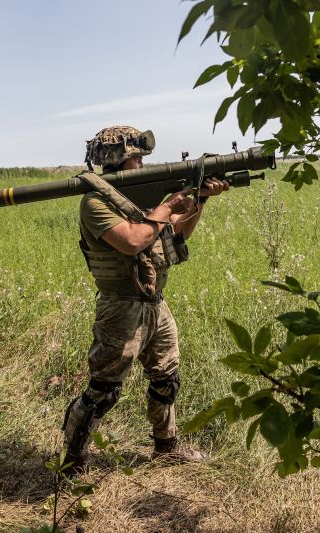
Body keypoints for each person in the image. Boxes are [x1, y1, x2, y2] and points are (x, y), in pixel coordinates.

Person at [61, 125, 230, 472]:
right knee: (103, 390)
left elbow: (177, 234)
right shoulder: (95, 203)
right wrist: (167, 206)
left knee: (166, 378)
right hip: (120, 308)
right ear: (122, 160)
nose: (142, 164)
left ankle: (166, 446)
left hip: (155, 303)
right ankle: (72, 460)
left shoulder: (143, 200)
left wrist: (200, 201)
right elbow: (133, 241)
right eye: (137, 158)